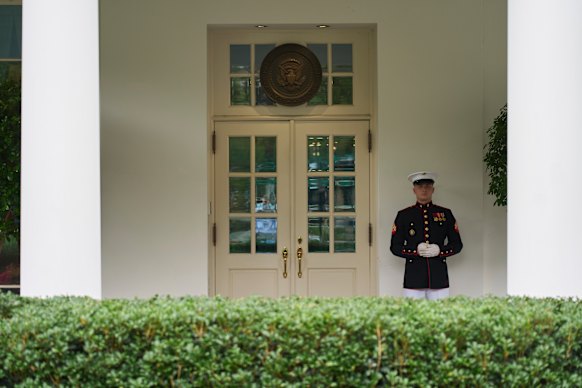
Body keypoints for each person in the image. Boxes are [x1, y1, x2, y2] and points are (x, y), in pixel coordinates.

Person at [390, 171, 463, 300]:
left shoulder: (445, 214)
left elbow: (457, 245)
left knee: (441, 317)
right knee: (412, 317)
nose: (424, 189)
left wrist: (440, 250)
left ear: (433, 189)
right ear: (414, 190)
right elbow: (395, 247)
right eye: (420, 186)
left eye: (427, 186)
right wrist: (415, 250)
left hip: (438, 277)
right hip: (413, 277)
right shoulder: (404, 215)